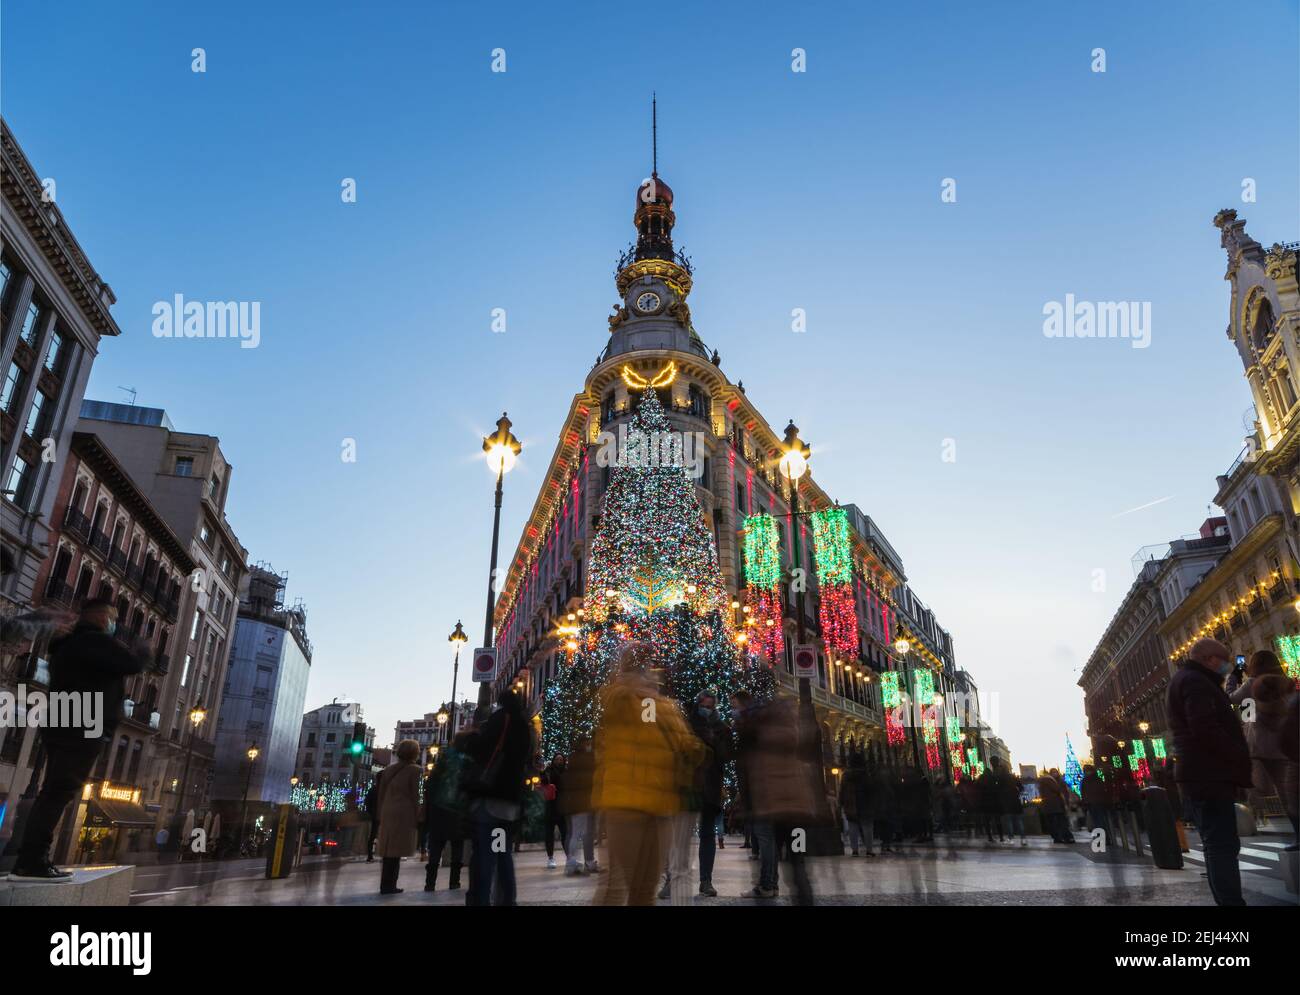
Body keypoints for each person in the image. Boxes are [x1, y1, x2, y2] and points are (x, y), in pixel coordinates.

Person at [8, 598, 147, 882]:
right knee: (58, 792)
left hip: (62, 718)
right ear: (100, 618)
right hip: (83, 721)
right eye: (112, 617)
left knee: (52, 790)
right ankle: (32, 859)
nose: (114, 624)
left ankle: (30, 857)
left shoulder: (67, 645)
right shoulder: (94, 642)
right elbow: (131, 663)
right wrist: (142, 647)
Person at [594, 644, 703, 906]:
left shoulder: (655, 704)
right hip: (631, 805)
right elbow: (650, 730)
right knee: (618, 887)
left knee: (642, 890)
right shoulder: (627, 699)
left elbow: (686, 746)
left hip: (653, 807)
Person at [1167, 637, 1253, 906]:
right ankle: (1231, 903)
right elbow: (1204, 728)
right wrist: (1236, 753)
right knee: (1221, 845)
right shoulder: (1195, 682)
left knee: (1219, 844)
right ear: (1210, 659)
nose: (1227, 665)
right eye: (1224, 660)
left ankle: (1229, 901)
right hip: (1208, 773)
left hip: (1201, 772)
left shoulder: (1188, 679)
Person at [738, 691, 818, 902]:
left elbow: (754, 778)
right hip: (798, 814)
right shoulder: (795, 737)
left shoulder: (761, 741)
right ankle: (804, 900)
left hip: (774, 813)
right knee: (798, 862)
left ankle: (767, 885)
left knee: (769, 852)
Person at [464, 688, 531, 906]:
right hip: (509, 802)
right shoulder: (525, 727)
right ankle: (507, 900)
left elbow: (481, 749)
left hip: (490, 799)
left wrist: (471, 736)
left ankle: (481, 900)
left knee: (485, 855)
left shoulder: (499, 720)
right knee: (501, 852)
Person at [1228, 650, 1299, 841]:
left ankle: (1258, 814)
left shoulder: (1251, 685)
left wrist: (1235, 676)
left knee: (1259, 787)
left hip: (1260, 747)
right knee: (1289, 793)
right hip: (1285, 746)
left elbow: (1232, 700)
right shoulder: (1286, 682)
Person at [685, 688, 731, 897]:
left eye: (710, 706)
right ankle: (673, 878)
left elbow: (725, 756)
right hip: (687, 785)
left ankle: (706, 880)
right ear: (697, 704)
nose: (707, 709)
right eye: (703, 706)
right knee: (680, 836)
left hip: (711, 786)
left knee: (707, 835)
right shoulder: (687, 725)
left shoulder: (722, 728)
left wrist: (714, 739)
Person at [423, 730, 471, 891]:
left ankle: (430, 883)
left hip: (439, 809)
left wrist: (430, 804)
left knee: (436, 847)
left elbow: (430, 785)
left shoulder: (443, 760)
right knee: (457, 846)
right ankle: (454, 882)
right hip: (458, 810)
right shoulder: (467, 762)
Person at [376, 739, 422, 895]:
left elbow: (381, 793)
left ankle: (385, 884)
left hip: (387, 811)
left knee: (388, 849)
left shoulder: (388, 770)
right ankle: (390, 885)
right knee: (396, 851)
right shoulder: (416, 770)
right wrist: (419, 814)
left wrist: (380, 811)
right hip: (404, 813)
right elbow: (417, 795)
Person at [558, 736, 599, 875]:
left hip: (573, 802)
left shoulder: (573, 759)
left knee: (574, 833)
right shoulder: (586, 759)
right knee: (582, 833)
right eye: (587, 743)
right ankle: (577, 862)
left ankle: (572, 862)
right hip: (582, 802)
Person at [840, 752, 873, 856]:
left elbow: (842, 790)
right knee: (867, 827)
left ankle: (854, 850)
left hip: (850, 802)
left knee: (852, 827)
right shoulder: (866, 774)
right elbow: (871, 789)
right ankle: (869, 849)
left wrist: (841, 802)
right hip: (865, 802)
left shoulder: (846, 775)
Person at [541, 754, 568, 869]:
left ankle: (569, 857)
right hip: (551, 806)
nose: (559, 761)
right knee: (549, 834)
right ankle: (550, 858)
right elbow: (545, 783)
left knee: (565, 834)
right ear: (553, 761)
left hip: (562, 807)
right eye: (557, 759)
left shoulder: (566, 772)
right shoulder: (549, 771)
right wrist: (542, 772)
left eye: (561, 759)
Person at [1080, 763, 1112, 845]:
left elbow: (1083, 793)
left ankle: (1102, 839)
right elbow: (1103, 790)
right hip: (1100, 802)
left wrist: (1084, 804)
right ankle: (1106, 839)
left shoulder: (1085, 780)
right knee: (1102, 821)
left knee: (1098, 822)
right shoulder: (1098, 779)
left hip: (1092, 803)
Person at [1036, 769, 1071, 843]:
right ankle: (1064, 837)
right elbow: (1058, 790)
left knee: (1052, 822)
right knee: (1060, 822)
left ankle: (1056, 837)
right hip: (1056, 805)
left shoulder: (1041, 782)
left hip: (1048, 806)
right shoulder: (1051, 781)